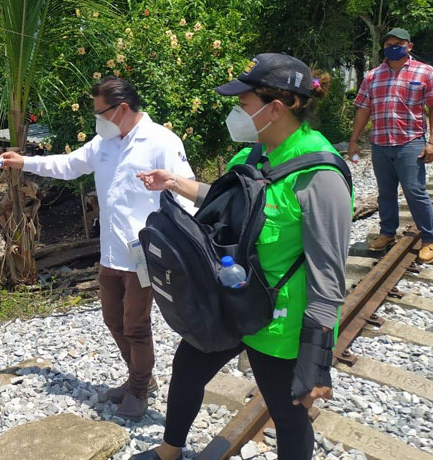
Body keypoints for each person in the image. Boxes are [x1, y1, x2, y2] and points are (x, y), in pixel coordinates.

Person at [133, 54, 352, 460]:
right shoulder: (252, 154)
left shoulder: (320, 176)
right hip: (227, 301)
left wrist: (317, 357)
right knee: (187, 369)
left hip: (276, 321)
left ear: (275, 108)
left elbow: (329, 275)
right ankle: (169, 450)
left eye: (243, 104)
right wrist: (176, 183)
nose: (237, 112)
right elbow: (229, 201)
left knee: (288, 414)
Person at [0, 76, 196, 420]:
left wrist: (189, 247)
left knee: (135, 324)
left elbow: (187, 192)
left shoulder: (161, 141)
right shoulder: (103, 143)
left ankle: (138, 388)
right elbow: (68, 165)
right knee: (112, 319)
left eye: (100, 112)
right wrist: (24, 162)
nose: (97, 120)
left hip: (144, 256)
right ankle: (140, 377)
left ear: (122, 109)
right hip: (110, 254)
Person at [349, 27, 433, 262]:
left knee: (414, 190)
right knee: (385, 193)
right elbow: (364, 109)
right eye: (388, 44)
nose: (393, 47)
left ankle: (429, 238)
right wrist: (354, 141)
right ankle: (387, 233)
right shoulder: (372, 76)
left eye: (398, 43)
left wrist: (432, 142)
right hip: (380, 143)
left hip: (410, 142)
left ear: (409, 46)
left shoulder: (425, 72)